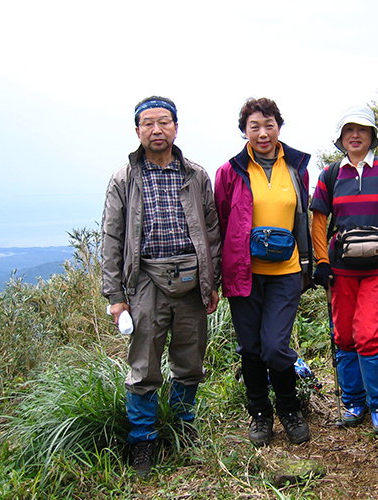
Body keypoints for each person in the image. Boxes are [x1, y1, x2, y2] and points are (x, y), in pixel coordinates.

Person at [101, 96, 222, 476]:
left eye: (164, 122)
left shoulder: (195, 175)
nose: (157, 130)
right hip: (145, 283)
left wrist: (211, 282)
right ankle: (143, 440)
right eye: (148, 124)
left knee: (190, 361)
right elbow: (111, 237)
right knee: (143, 365)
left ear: (175, 127)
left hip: (190, 282)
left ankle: (183, 428)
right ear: (137, 131)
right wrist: (116, 297)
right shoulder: (125, 178)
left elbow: (213, 231)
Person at [214, 98, 312, 447]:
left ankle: (289, 407)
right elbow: (220, 224)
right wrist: (214, 276)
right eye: (254, 126)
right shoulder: (230, 171)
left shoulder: (297, 166)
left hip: (286, 270)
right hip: (244, 272)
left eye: (269, 124)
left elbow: (305, 216)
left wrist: (309, 265)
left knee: (274, 345)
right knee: (251, 346)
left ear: (279, 127)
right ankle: (260, 413)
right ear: (244, 131)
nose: (262, 132)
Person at [310, 105, 378, 434]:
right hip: (341, 270)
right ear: (341, 139)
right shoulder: (329, 175)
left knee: (369, 335)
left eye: (363, 130)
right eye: (349, 131)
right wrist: (322, 263)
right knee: (343, 336)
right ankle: (354, 401)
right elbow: (319, 223)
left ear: (372, 137)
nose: (356, 135)